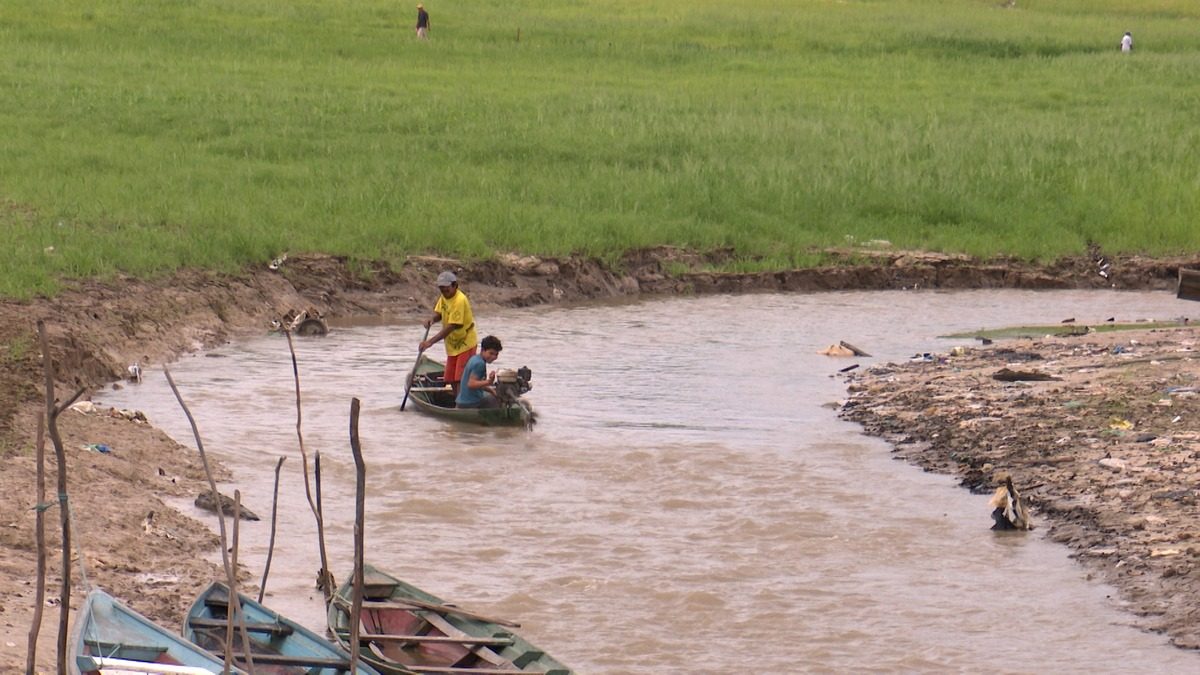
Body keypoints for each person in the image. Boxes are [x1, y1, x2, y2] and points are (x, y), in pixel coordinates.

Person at [420, 271, 477, 395]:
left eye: (447, 289)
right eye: (441, 289)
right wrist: (432, 319)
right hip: (452, 345)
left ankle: (462, 402)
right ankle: (458, 400)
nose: (444, 292)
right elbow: (439, 313)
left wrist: (430, 342)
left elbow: (451, 326)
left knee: (460, 378)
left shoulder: (459, 300)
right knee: (450, 378)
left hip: (465, 343)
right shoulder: (444, 297)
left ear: (455, 286)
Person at [456, 335, 503, 409]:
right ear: (483, 350)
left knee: (492, 394)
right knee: (499, 400)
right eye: (491, 353)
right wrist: (489, 381)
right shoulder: (480, 364)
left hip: (462, 401)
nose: (494, 357)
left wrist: (491, 390)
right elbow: (471, 384)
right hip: (471, 403)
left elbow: (478, 383)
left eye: (496, 354)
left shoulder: (475, 358)